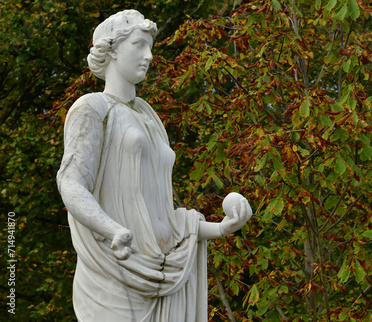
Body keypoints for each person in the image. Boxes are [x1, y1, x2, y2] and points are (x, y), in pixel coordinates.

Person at [57, 10, 252, 321]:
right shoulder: (92, 108)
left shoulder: (148, 116)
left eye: (151, 47)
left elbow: (163, 216)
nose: (148, 56)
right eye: (139, 45)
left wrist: (220, 227)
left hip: (164, 268)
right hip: (116, 275)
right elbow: (71, 183)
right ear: (114, 48)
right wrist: (114, 230)